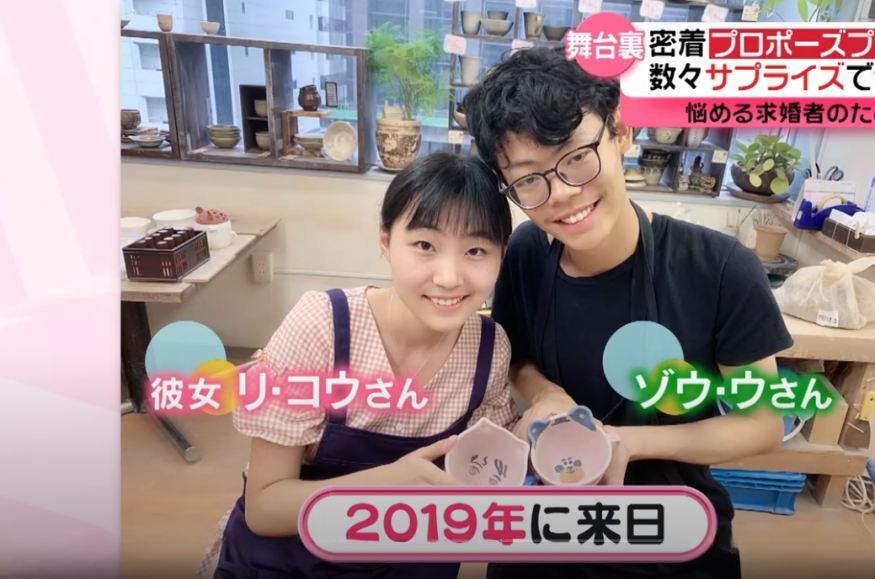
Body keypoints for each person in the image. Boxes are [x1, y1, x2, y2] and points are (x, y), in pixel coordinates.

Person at [463, 47, 795, 578]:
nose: (563, 193)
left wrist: (630, 442)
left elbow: (762, 424)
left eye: (576, 156)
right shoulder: (526, 252)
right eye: (528, 179)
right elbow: (516, 357)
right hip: (547, 520)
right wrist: (547, 394)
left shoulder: (719, 267)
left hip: (666, 529)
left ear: (620, 132)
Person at [195, 152, 517, 579]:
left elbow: (484, 470)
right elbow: (264, 508)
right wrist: (389, 484)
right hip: (289, 561)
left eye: (476, 250)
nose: (448, 277)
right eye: (425, 245)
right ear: (385, 240)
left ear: (501, 255)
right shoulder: (323, 327)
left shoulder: (490, 349)